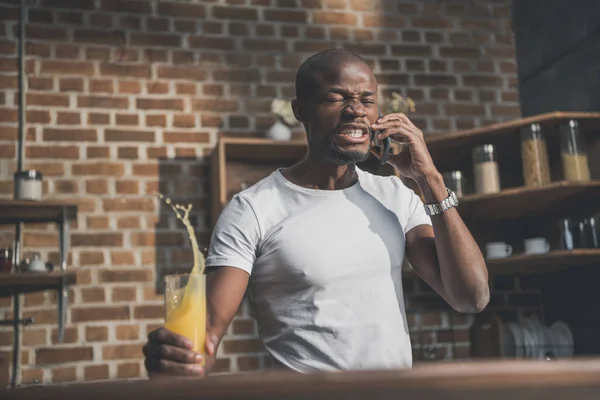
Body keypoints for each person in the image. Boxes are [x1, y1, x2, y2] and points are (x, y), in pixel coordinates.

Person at [143, 49, 489, 377]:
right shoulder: (253, 208)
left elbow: (471, 296)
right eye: (336, 97)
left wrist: (429, 179)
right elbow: (209, 334)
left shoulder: (397, 195)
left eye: (367, 99)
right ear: (301, 110)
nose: (356, 110)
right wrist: (178, 359)